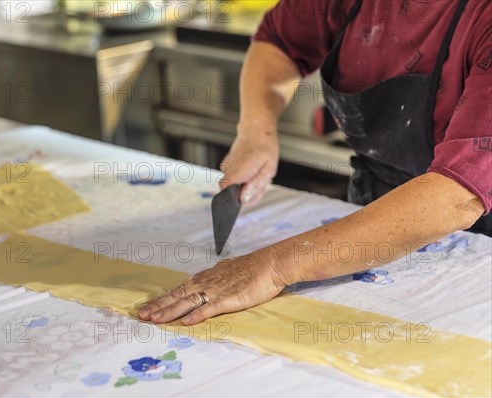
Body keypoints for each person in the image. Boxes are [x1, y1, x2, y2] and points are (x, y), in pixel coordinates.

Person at [138, 0, 491, 325]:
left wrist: (272, 267)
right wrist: (256, 130)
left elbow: (457, 195)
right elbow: (280, 41)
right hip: (373, 225)